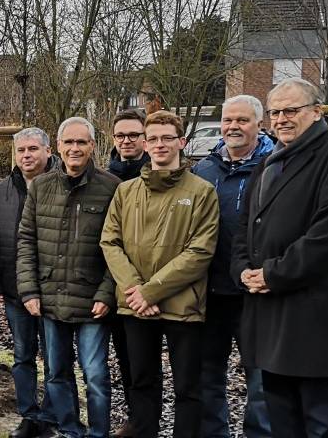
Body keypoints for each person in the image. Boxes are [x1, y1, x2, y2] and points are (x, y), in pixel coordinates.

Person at [231, 78, 328, 438]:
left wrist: (272, 275)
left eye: (291, 110)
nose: (281, 119)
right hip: (270, 314)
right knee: (281, 418)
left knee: (320, 419)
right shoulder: (269, 163)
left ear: (316, 111)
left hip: (315, 316)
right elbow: (245, 226)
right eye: (275, 112)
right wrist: (243, 269)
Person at [100, 110, 219, 438]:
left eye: (167, 138)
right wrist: (135, 289)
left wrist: (151, 291)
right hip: (136, 306)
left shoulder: (201, 192)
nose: (160, 144)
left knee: (187, 388)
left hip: (182, 306)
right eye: (152, 138)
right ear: (145, 143)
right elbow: (110, 242)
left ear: (181, 142)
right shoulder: (126, 192)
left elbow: (200, 251)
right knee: (141, 383)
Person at [16, 118, 121, 438]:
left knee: (95, 375)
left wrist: (107, 293)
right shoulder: (42, 186)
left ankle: (98, 432)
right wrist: (29, 290)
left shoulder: (112, 187)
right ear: (58, 147)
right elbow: (26, 240)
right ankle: (71, 430)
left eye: (81, 142)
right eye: (69, 143)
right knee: (57, 373)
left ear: (92, 146)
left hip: (92, 302)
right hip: (49, 297)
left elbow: (120, 247)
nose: (74, 149)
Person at [191, 96, 273, 438]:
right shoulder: (204, 170)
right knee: (208, 374)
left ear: (258, 123)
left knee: (261, 377)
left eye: (242, 120)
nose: (233, 127)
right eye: (227, 120)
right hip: (210, 290)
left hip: (256, 291)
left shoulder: (275, 167)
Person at [0, 127, 56, 437]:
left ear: (47, 151)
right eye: (21, 150)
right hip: (16, 290)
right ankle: (29, 415)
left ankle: (53, 415)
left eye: (32, 149)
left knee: (56, 357)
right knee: (22, 355)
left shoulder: (61, 185)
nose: (26, 155)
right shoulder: (4, 189)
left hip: (54, 290)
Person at [107, 108, 148, 436]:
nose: (127, 141)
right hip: (116, 283)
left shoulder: (154, 171)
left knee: (145, 362)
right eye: (121, 135)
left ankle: (147, 420)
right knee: (126, 357)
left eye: (133, 135)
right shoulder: (107, 175)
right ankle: (137, 421)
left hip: (151, 284)